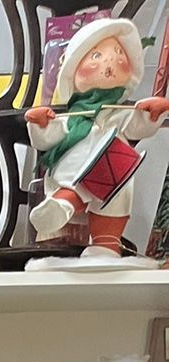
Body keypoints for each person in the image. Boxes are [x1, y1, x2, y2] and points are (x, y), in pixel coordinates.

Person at [26, 17, 169, 265]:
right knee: (75, 182)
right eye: (96, 56)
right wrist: (39, 124)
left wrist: (151, 115)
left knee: (115, 194)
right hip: (77, 168)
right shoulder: (73, 116)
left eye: (117, 54)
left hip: (114, 173)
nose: (109, 62)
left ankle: (105, 244)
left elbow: (137, 125)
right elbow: (50, 137)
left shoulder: (119, 113)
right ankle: (61, 206)